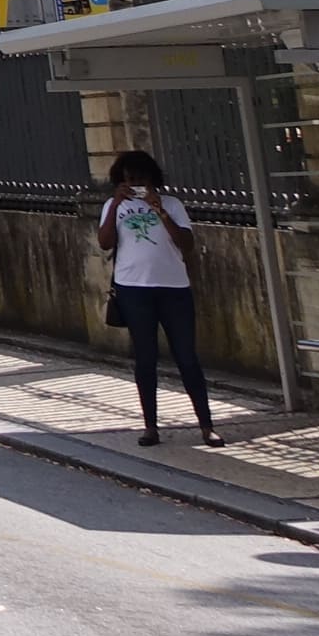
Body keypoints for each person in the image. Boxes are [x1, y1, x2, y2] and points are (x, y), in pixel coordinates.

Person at [96, 149, 219, 449]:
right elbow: (105, 242)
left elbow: (186, 244)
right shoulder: (114, 205)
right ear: (121, 180)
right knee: (145, 358)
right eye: (130, 179)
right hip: (133, 289)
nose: (136, 184)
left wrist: (160, 210)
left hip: (173, 288)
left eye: (141, 179)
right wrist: (115, 206)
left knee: (187, 357)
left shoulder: (172, 204)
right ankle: (150, 426)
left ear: (152, 179)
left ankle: (207, 426)